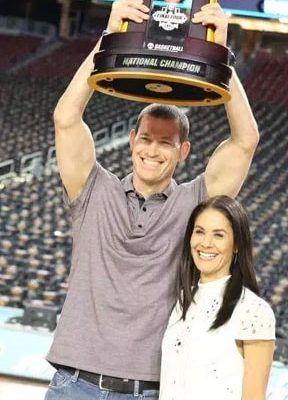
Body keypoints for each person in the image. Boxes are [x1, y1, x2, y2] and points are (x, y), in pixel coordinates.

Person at [45, 0, 259, 399]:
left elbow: (246, 141)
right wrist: (110, 38)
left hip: (147, 390)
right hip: (72, 385)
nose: (152, 150)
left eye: (166, 142)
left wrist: (220, 55)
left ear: (184, 151)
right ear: (132, 141)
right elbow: (66, 119)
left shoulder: (196, 203)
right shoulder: (93, 189)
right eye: (145, 138)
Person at [160, 195, 275, 400]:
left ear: (237, 244)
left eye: (218, 235)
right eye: (199, 232)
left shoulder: (253, 310)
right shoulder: (182, 301)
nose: (206, 243)